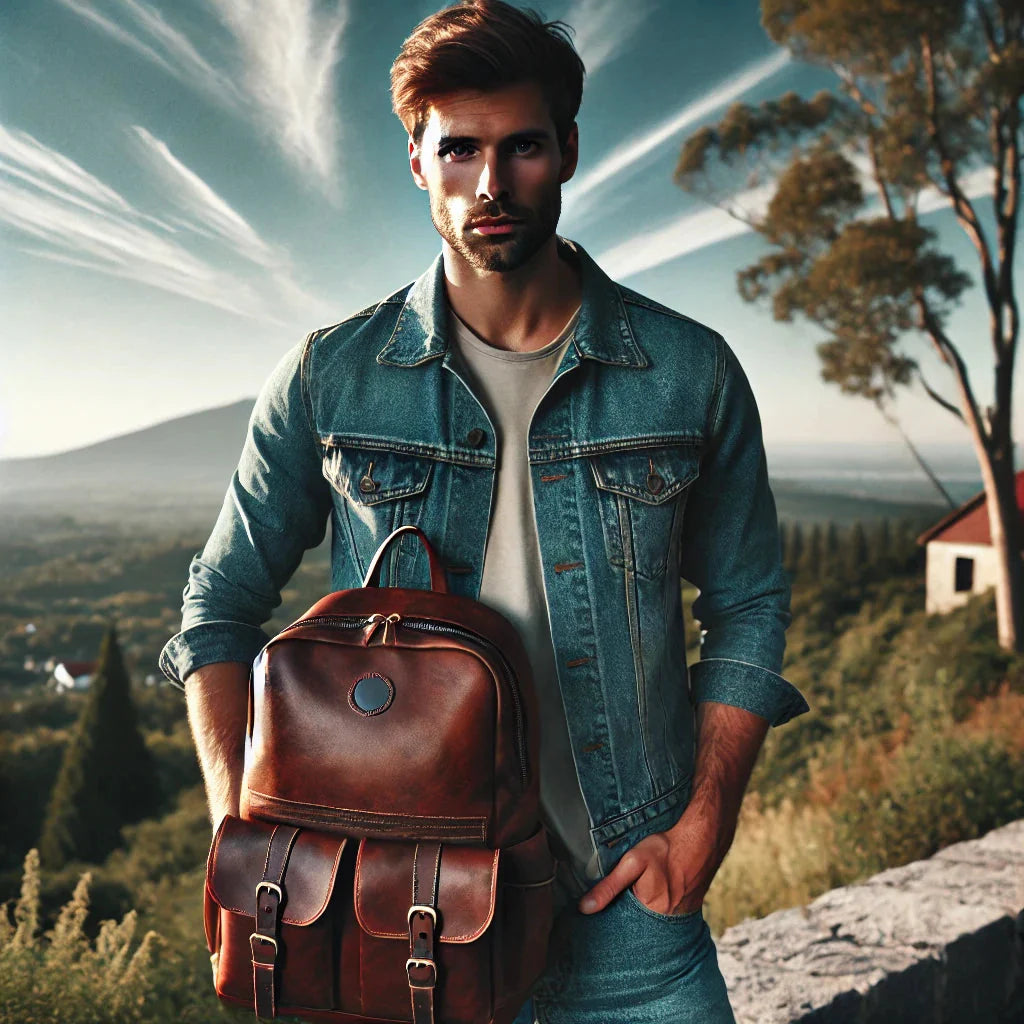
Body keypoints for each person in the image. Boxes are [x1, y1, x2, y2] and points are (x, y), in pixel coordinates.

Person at [159, 2, 810, 1021]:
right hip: (387, 913)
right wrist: (238, 825)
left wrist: (702, 828)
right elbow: (219, 604)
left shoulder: (689, 374)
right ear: (418, 161)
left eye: (522, 148)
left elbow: (750, 601)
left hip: (628, 912)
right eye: (458, 149)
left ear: (569, 152)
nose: (490, 184)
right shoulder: (331, 377)